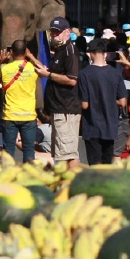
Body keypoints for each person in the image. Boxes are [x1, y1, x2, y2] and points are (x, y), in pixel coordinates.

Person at [78, 38, 128, 165]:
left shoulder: (84, 74)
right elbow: (123, 102)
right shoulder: (116, 73)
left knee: (95, 166)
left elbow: (84, 105)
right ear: (105, 54)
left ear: (90, 54)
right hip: (110, 126)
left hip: (92, 127)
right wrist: (110, 100)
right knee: (107, 165)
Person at [43, 17, 81, 167]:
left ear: (68, 32)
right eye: (52, 32)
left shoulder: (70, 50)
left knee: (68, 154)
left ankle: (71, 185)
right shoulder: (59, 50)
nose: (54, 35)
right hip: (58, 109)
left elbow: (72, 79)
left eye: (57, 32)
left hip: (66, 110)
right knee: (61, 153)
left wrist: (49, 75)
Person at [0, 40, 41, 163]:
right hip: (28, 116)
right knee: (29, 149)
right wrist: (31, 56)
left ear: (11, 52)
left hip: (10, 116)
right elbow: (43, 69)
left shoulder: (4, 68)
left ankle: (8, 178)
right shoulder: (33, 68)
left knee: (8, 150)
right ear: (25, 51)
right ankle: (27, 178)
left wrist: (1, 63)